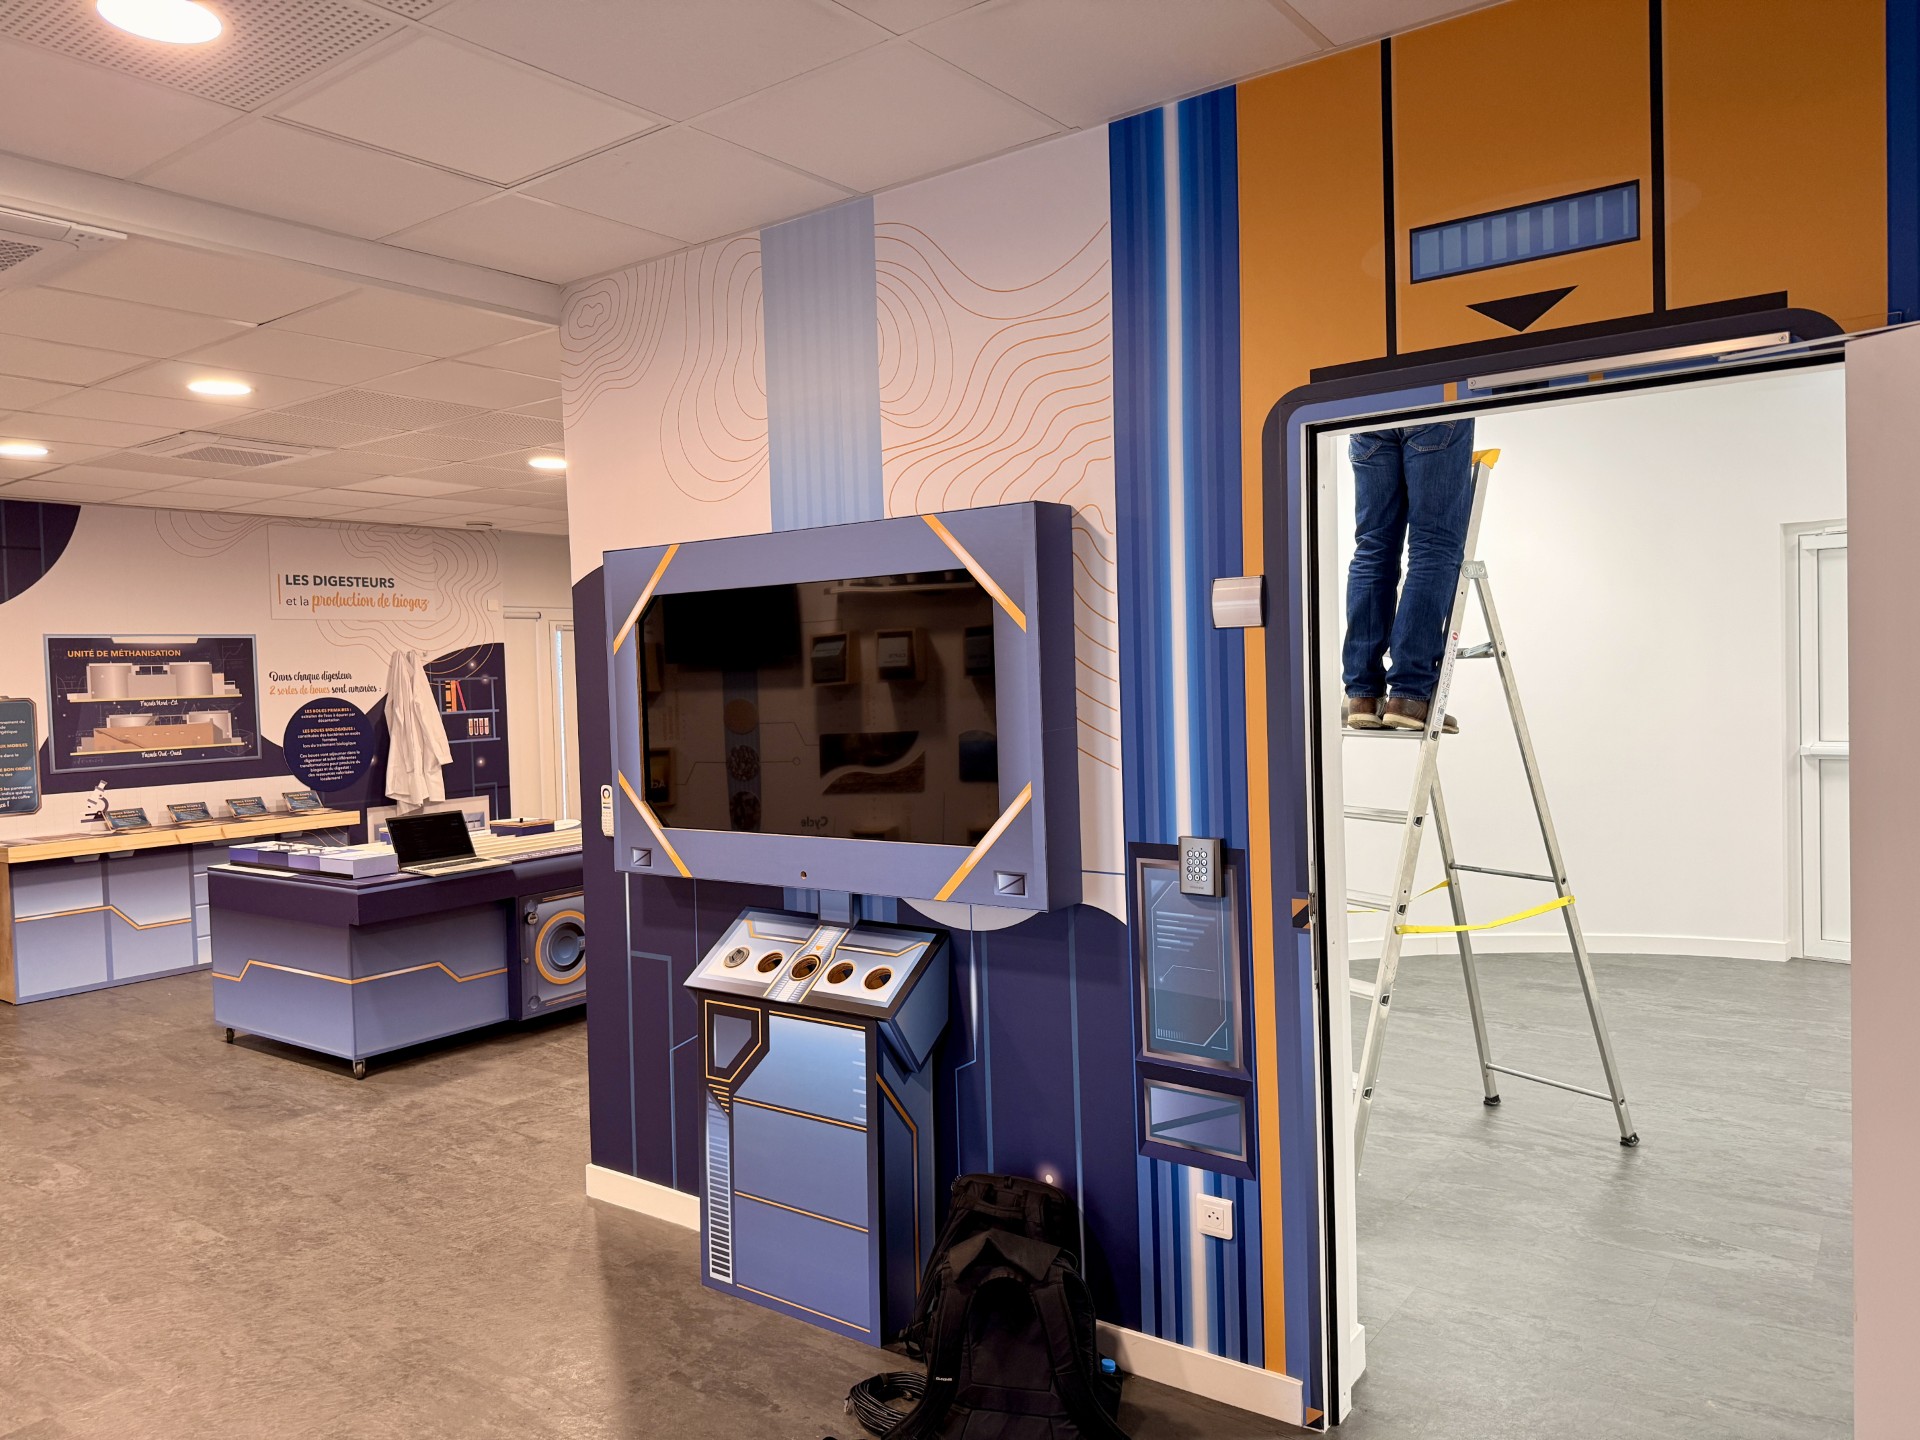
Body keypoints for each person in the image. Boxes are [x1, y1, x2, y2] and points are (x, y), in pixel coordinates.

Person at [1342, 419, 1476, 733]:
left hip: (1368, 410)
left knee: (1373, 547)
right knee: (1434, 546)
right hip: (1432, 409)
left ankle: (1362, 695)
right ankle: (1408, 696)